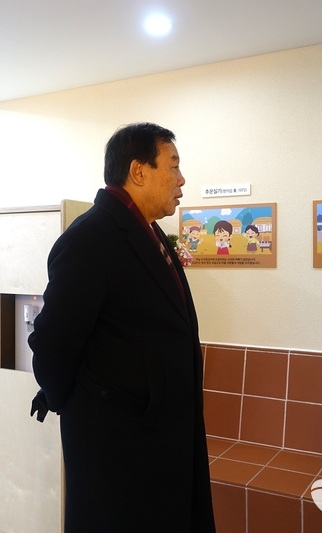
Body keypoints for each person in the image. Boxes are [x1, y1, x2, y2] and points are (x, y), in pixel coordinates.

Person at [29, 122, 215, 532]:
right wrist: (72, 401)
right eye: (173, 166)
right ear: (138, 171)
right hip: (118, 443)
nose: (182, 179)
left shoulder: (151, 234)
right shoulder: (90, 238)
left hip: (158, 436)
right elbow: (54, 343)